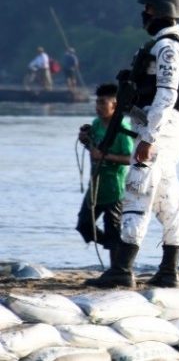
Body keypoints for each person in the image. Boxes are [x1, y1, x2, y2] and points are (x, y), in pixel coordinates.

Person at [85, 0, 179, 288]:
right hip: (158, 126)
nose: (144, 15)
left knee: (136, 192)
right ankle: (169, 269)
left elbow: (165, 96)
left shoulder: (167, 48)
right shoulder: (170, 45)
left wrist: (148, 138)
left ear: (164, 11)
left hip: (158, 129)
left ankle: (123, 268)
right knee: (167, 199)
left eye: (148, 9)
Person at [75, 83, 133, 258]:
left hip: (115, 189)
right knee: (84, 225)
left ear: (114, 105)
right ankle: (114, 245)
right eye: (97, 103)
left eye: (102, 103)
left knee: (112, 229)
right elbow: (94, 152)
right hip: (96, 187)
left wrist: (105, 157)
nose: (98, 107)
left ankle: (116, 268)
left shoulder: (123, 129)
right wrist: (86, 140)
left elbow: (131, 158)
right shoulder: (96, 124)